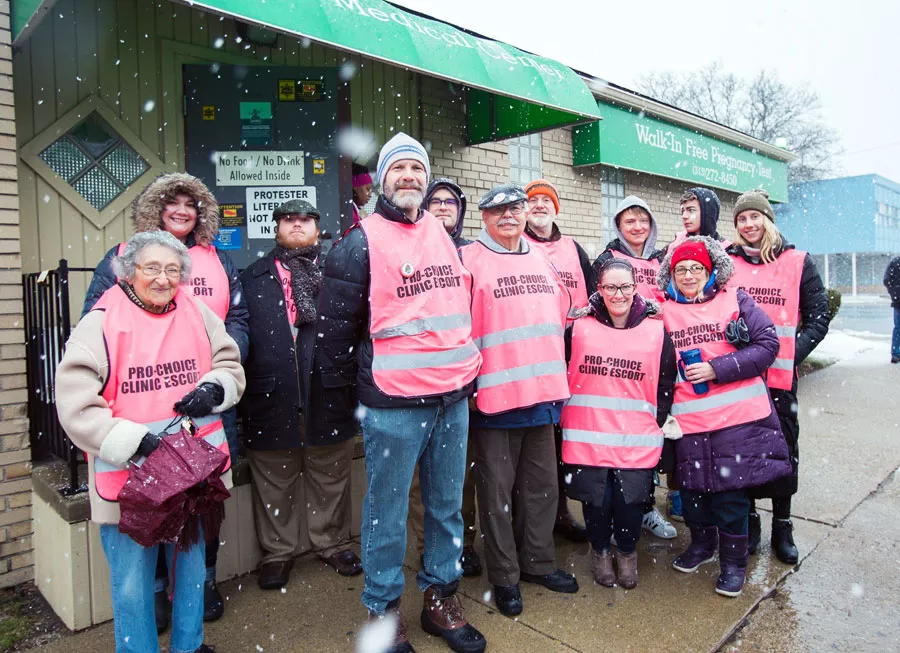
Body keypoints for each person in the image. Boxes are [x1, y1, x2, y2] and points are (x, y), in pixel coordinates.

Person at [314, 133, 486, 653]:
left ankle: (441, 597)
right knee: (385, 513)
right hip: (392, 403)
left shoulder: (445, 236)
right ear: (384, 179)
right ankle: (383, 609)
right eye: (399, 168)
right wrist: (353, 402)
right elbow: (335, 337)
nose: (409, 176)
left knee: (446, 508)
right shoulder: (358, 243)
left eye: (417, 167)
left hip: (452, 398)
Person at [55, 230, 246, 653]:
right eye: (152, 268)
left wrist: (216, 388)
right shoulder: (101, 321)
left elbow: (229, 363)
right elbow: (75, 404)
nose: (163, 278)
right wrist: (130, 440)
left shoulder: (196, 310)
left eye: (173, 270)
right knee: (132, 588)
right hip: (130, 478)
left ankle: (189, 646)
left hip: (191, 473)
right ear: (129, 273)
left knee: (191, 575)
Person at [461, 183, 578, 618]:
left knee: (542, 488)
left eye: (515, 208)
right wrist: (469, 387)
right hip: (495, 399)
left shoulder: (542, 256)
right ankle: (505, 576)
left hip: (544, 396)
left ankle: (539, 562)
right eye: (498, 211)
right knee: (497, 495)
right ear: (484, 218)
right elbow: (462, 328)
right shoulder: (469, 259)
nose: (509, 216)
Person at [658, 237, 791, 597]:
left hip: (737, 420)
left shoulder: (735, 299)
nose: (688, 275)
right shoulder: (663, 309)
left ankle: (733, 565)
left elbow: (768, 345)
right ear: (670, 275)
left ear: (710, 271)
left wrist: (718, 369)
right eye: (680, 269)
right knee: (693, 494)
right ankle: (702, 546)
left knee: (731, 499)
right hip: (689, 423)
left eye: (696, 269)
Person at [240, 199, 362, 591]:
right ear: (276, 227)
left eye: (305, 219)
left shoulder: (336, 273)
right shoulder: (252, 277)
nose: (296, 225)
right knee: (275, 475)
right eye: (288, 219)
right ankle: (278, 552)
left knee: (330, 472)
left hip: (328, 387)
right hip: (271, 392)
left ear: (317, 227)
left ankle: (333, 542)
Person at [727, 189, 830, 564]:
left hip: (779, 378)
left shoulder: (797, 261)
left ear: (768, 220)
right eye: (741, 219)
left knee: (784, 450)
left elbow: (820, 317)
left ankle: (782, 526)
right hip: (740, 378)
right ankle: (751, 520)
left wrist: (790, 354)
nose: (749, 224)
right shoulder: (728, 261)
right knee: (744, 451)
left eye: (755, 217)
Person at [561, 258, 677, 590]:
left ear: (635, 288)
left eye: (625, 287)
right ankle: (599, 552)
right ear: (599, 289)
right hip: (589, 433)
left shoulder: (656, 330)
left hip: (636, 436)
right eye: (610, 287)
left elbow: (666, 381)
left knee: (630, 504)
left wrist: (658, 417)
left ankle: (627, 553)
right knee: (597, 504)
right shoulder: (579, 328)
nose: (618, 294)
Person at [407, 178, 481, 578]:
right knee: (422, 481)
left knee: (458, 476)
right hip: (415, 384)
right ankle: (425, 547)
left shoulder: (473, 253)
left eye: (450, 202)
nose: (442, 208)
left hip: (460, 383)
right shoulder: (408, 246)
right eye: (434, 201)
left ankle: (461, 545)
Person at [593, 196, 676, 541]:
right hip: (618, 357)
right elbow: (595, 301)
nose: (637, 227)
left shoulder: (663, 260)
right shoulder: (608, 258)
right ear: (618, 225)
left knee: (650, 433)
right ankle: (620, 512)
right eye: (629, 221)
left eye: (643, 220)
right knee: (620, 437)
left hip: (656, 352)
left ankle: (645, 507)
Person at [522, 178, 594, 543]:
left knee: (566, 437)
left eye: (545, 200)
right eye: (531, 200)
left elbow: (594, 298)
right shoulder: (518, 246)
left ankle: (563, 509)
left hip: (573, 355)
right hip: (535, 357)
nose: (538, 205)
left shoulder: (574, 249)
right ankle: (539, 518)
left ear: (556, 208)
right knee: (541, 441)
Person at [663, 186, 727, 522]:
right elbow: (664, 291)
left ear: (707, 211)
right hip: (681, 344)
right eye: (682, 210)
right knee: (680, 426)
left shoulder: (724, 250)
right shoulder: (673, 247)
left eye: (692, 210)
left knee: (718, 431)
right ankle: (679, 492)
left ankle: (720, 493)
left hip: (716, 350)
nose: (685, 216)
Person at [667, 187, 729, 254]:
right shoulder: (674, 246)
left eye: (691, 210)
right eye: (683, 211)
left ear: (707, 213)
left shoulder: (727, 250)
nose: (684, 216)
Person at [884, 255, 900, 363]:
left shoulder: (895, 262)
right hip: (897, 300)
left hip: (897, 300)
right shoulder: (895, 262)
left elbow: (886, 280)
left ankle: (895, 354)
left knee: (898, 328)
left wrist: (893, 292)